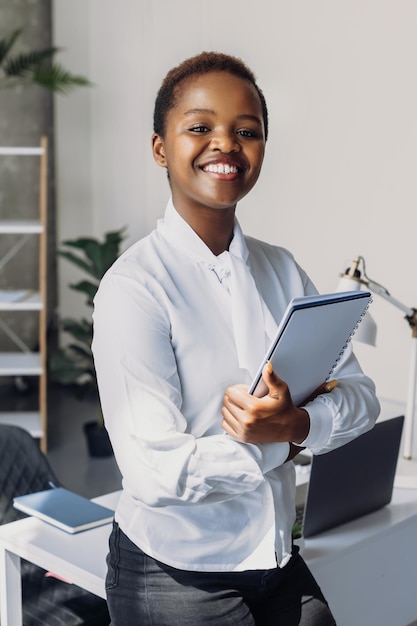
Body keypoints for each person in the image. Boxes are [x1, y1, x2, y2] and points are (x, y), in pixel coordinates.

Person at [92, 51, 380, 625]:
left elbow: (361, 398)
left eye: (246, 131)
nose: (225, 143)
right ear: (160, 149)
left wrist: (295, 424)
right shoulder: (134, 288)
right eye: (200, 127)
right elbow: (157, 473)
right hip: (175, 572)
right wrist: (285, 441)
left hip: (274, 557)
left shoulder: (284, 271)